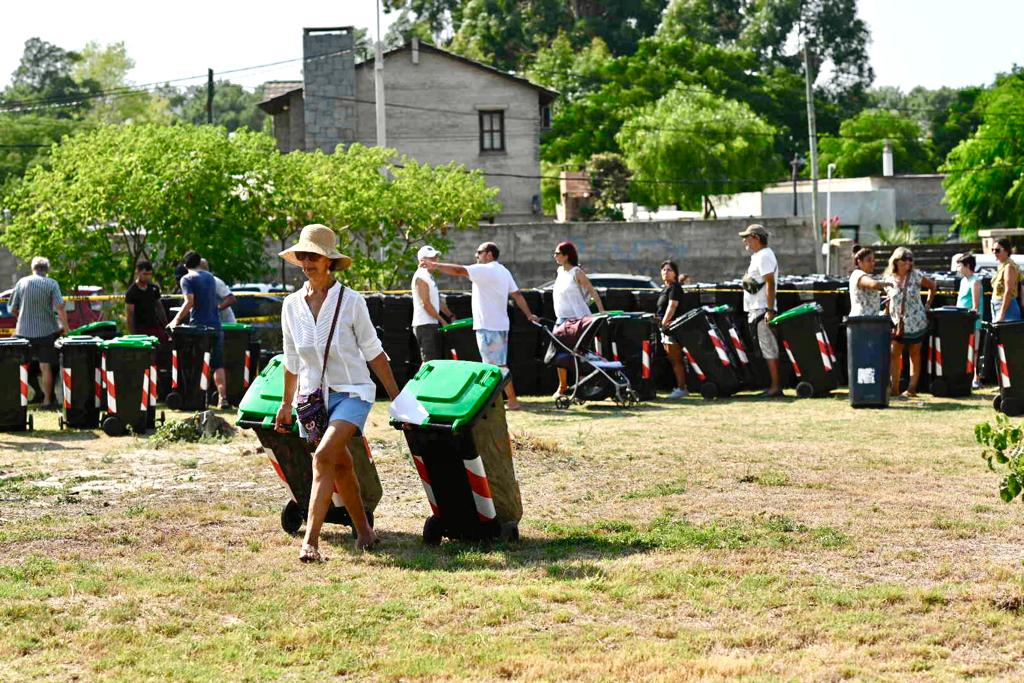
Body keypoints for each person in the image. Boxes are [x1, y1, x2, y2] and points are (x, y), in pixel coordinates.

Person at [273, 223, 400, 561]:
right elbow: (291, 358)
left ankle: (310, 542)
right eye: (303, 256)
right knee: (341, 467)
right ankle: (366, 533)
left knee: (323, 456)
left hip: (352, 393)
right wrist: (286, 403)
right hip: (312, 398)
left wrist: (397, 399)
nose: (307, 261)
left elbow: (374, 352)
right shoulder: (291, 306)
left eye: (314, 256)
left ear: (329, 261)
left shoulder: (351, 301)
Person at [422, 242, 539, 411]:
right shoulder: (503, 271)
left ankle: (511, 401)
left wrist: (435, 265)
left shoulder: (485, 269)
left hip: (488, 326)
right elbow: (517, 295)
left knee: (496, 366)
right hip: (499, 325)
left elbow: (458, 271)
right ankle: (499, 400)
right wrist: (528, 314)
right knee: (496, 365)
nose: (476, 255)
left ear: (489, 254)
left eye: (479, 252)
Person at [168, 250, 229, 408]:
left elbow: (189, 302)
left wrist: (175, 320)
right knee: (217, 363)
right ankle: (223, 398)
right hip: (216, 326)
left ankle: (197, 398)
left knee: (196, 363)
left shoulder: (186, 279)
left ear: (185, 264)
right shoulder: (210, 277)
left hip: (199, 328)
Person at [9, 256, 69, 408]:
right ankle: (48, 401)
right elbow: (60, 307)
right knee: (46, 366)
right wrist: (66, 329)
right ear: (47, 270)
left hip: (23, 331)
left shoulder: (21, 282)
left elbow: (13, 308)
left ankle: (19, 401)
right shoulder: (51, 283)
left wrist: (22, 318)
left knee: (21, 365)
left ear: (33, 268)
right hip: (46, 331)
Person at [552, 241, 605, 397]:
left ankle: (582, 384)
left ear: (566, 256)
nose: (554, 256)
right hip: (561, 318)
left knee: (579, 353)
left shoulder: (577, 272)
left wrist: (601, 311)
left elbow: (592, 292)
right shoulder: (559, 271)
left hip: (578, 319)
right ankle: (562, 386)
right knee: (558, 353)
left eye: (557, 253)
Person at [884, 247, 937, 398]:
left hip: (916, 322)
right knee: (895, 354)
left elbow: (933, 286)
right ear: (896, 260)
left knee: (914, 354)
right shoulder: (888, 278)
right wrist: (886, 314)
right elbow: (888, 299)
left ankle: (912, 389)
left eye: (910, 259)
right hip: (898, 323)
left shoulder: (916, 276)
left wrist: (927, 305)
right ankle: (894, 389)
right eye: (905, 259)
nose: (908, 262)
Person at [739, 224, 782, 397]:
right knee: (765, 349)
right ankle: (772, 385)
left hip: (762, 309)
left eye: (747, 237)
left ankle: (775, 386)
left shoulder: (764, 256)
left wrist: (770, 309)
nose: (745, 241)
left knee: (769, 348)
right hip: (756, 309)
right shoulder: (758, 256)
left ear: (756, 237)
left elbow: (770, 282)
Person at [411, 245, 453, 364]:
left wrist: (450, 316)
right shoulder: (420, 277)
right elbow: (426, 304)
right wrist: (442, 320)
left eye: (435, 257)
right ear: (422, 260)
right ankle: (418, 383)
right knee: (429, 363)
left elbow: (437, 301)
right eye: (431, 258)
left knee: (431, 363)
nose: (435, 261)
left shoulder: (429, 276)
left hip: (430, 324)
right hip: (424, 325)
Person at [656, 260, 689, 399]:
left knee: (676, 360)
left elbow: (672, 306)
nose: (665, 272)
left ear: (675, 273)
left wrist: (664, 323)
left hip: (672, 329)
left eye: (669, 270)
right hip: (665, 329)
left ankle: (682, 388)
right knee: (672, 359)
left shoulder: (675, 287)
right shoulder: (665, 288)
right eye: (663, 270)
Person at [956, 252, 984, 389]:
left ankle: (976, 378)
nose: (957, 268)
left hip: (972, 323)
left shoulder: (975, 282)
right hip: (961, 322)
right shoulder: (963, 281)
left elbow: (975, 307)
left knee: (975, 351)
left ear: (967, 266)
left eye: (959, 265)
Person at [125, 260, 169, 342]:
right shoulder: (132, 292)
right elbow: (130, 315)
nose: (147, 277)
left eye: (149, 274)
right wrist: (133, 336)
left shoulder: (154, 288)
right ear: (137, 273)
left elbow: (160, 308)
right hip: (140, 330)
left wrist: (166, 326)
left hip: (154, 327)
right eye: (145, 274)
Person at [848, 246, 886, 316]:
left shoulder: (868, 276)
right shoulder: (857, 274)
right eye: (869, 260)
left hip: (871, 321)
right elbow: (874, 284)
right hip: (860, 321)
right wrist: (889, 284)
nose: (872, 263)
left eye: (873, 260)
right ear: (859, 262)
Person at [198, 258, 237, 324]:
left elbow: (231, 299)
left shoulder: (215, 281)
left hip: (226, 324)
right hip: (211, 324)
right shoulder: (197, 282)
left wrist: (215, 309)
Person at [991, 238, 1021, 322]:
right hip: (998, 306)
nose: (994, 252)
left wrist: (1002, 313)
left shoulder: (1009, 267)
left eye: (997, 250)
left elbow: (1008, 291)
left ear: (1006, 250)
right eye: (992, 250)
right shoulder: (1001, 265)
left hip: (1007, 308)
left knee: (1006, 334)